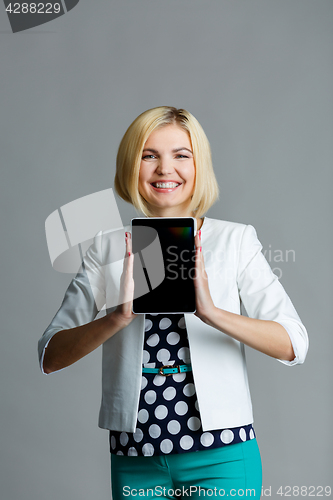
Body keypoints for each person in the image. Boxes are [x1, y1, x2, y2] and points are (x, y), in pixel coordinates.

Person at [38, 106, 309, 499]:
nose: (165, 169)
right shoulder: (107, 246)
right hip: (135, 456)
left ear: (199, 165)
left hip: (223, 456)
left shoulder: (234, 241)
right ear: (131, 166)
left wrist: (213, 313)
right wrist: (116, 318)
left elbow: (293, 343)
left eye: (181, 155)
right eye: (149, 155)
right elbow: (50, 355)